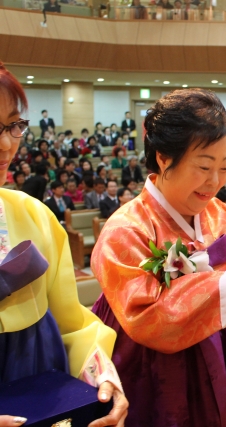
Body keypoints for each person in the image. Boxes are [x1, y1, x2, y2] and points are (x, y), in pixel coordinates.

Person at [90, 89, 226, 426]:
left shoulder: (219, 214)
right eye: (203, 166)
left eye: (224, 167)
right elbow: (146, 317)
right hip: (152, 369)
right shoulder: (126, 230)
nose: (214, 182)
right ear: (163, 158)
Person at [0, 62, 127, 427]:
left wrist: (102, 378)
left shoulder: (34, 216)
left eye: (13, 125)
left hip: (41, 391)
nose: (6, 144)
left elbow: (72, 324)